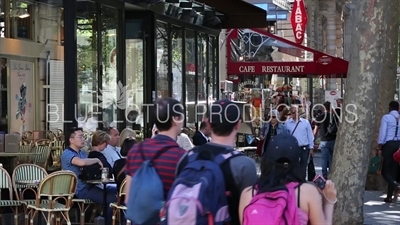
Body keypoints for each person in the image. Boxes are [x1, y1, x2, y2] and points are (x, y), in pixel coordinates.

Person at [176, 99, 258, 225]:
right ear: (238, 124)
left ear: (208, 123)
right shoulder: (244, 166)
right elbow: (248, 217)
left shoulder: (186, 158)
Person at [239, 134, 337, 225]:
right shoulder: (307, 192)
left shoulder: (248, 194)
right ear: (298, 161)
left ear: (266, 160)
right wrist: (329, 201)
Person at [125, 97, 186, 203]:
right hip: (169, 218)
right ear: (176, 119)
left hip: (141, 218)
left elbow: (128, 198)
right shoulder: (182, 157)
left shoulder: (135, 151)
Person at [61, 127, 116, 225]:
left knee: (118, 192)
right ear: (71, 140)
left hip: (89, 185)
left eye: (84, 137)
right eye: (80, 137)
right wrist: (97, 160)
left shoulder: (82, 153)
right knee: (111, 200)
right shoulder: (67, 154)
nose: (83, 139)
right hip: (79, 189)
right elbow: (81, 163)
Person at [378, 101, 400, 203]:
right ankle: (390, 195)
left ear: (390, 107)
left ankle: (395, 185)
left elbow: (383, 132)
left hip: (388, 144)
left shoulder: (386, 117)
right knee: (393, 170)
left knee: (384, 170)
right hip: (398, 145)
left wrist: (380, 145)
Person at [284, 105, 314, 179]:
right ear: (291, 113)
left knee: (303, 166)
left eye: (297, 112)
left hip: (304, 147)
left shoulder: (306, 123)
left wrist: (311, 148)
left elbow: (310, 136)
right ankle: (294, 181)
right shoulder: (287, 124)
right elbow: (286, 136)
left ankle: (302, 181)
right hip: (293, 148)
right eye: (293, 112)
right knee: (294, 165)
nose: (295, 114)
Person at [313, 101, 337, 179]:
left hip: (323, 140)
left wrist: (313, 139)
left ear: (323, 108)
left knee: (324, 158)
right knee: (331, 158)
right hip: (333, 139)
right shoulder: (334, 116)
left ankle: (324, 173)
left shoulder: (320, 117)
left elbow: (315, 130)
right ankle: (331, 172)